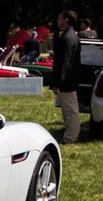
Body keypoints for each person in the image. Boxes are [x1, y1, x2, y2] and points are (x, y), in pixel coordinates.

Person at [51, 10, 82, 144]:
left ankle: (71, 137)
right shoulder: (69, 35)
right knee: (67, 109)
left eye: (60, 19)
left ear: (66, 20)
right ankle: (69, 134)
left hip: (67, 81)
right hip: (67, 80)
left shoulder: (68, 37)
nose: (58, 22)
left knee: (70, 110)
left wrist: (58, 83)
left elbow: (65, 62)